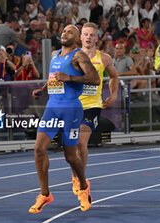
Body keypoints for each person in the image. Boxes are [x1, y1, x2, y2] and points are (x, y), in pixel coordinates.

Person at [30, 24, 100, 213]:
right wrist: (42, 89)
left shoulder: (79, 56)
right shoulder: (55, 55)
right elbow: (55, 77)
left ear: (77, 38)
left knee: (70, 156)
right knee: (38, 149)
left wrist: (69, 77)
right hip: (52, 108)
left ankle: (84, 188)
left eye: (70, 32)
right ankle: (45, 194)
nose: (64, 33)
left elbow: (95, 79)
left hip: (71, 110)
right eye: (63, 31)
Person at [70, 22, 118, 196]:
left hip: (92, 106)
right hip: (73, 106)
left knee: (81, 142)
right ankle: (76, 178)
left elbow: (114, 76)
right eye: (85, 34)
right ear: (80, 37)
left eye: (92, 34)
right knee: (72, 146)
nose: (88, 37)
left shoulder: (104, 58)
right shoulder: (72, 56)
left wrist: (112, 96)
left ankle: (82, 181)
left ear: (97, 38)